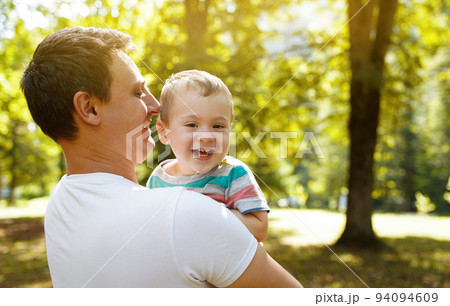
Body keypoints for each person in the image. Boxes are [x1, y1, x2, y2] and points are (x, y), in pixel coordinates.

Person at [21, 26, 302, 288]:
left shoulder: (59, 205)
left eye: (218, 125)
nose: (155, 106)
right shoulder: (192, 215)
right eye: (137, 92)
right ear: (90, 108)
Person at [147, 70, 269, 242]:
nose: (206, 135)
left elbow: (259, 229)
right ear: (164, 132)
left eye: (218, 126)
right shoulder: (158, 179)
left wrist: (206, 213)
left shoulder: (232, 174)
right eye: (192, 124)